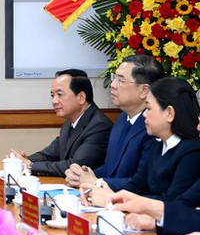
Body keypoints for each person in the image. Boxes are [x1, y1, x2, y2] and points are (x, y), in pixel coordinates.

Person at [92, 77, 200, 229]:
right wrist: (110, 196)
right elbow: (137, 184)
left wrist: (124, 202)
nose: (144, 114)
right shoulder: (158, 144)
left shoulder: (192, 151)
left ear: (169, 113)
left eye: (148, 108)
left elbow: (174, 202)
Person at [66, 55, 163, 190]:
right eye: (114, 78)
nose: (113, 84)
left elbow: (144, 183)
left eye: (121, 80)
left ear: (144, 90)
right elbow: (111, 168)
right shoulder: (122, 119)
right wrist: (86, 175)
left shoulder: (153, 127)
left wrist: (97, 182)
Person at [10, 69, 112, 176]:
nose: (54, 101)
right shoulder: (70, 122)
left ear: (81, 97)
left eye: (60, 94)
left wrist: (30, 165)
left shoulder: (99, 126)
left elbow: (74, 166)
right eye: (52, 95)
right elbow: (49, 154)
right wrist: (20, 161)